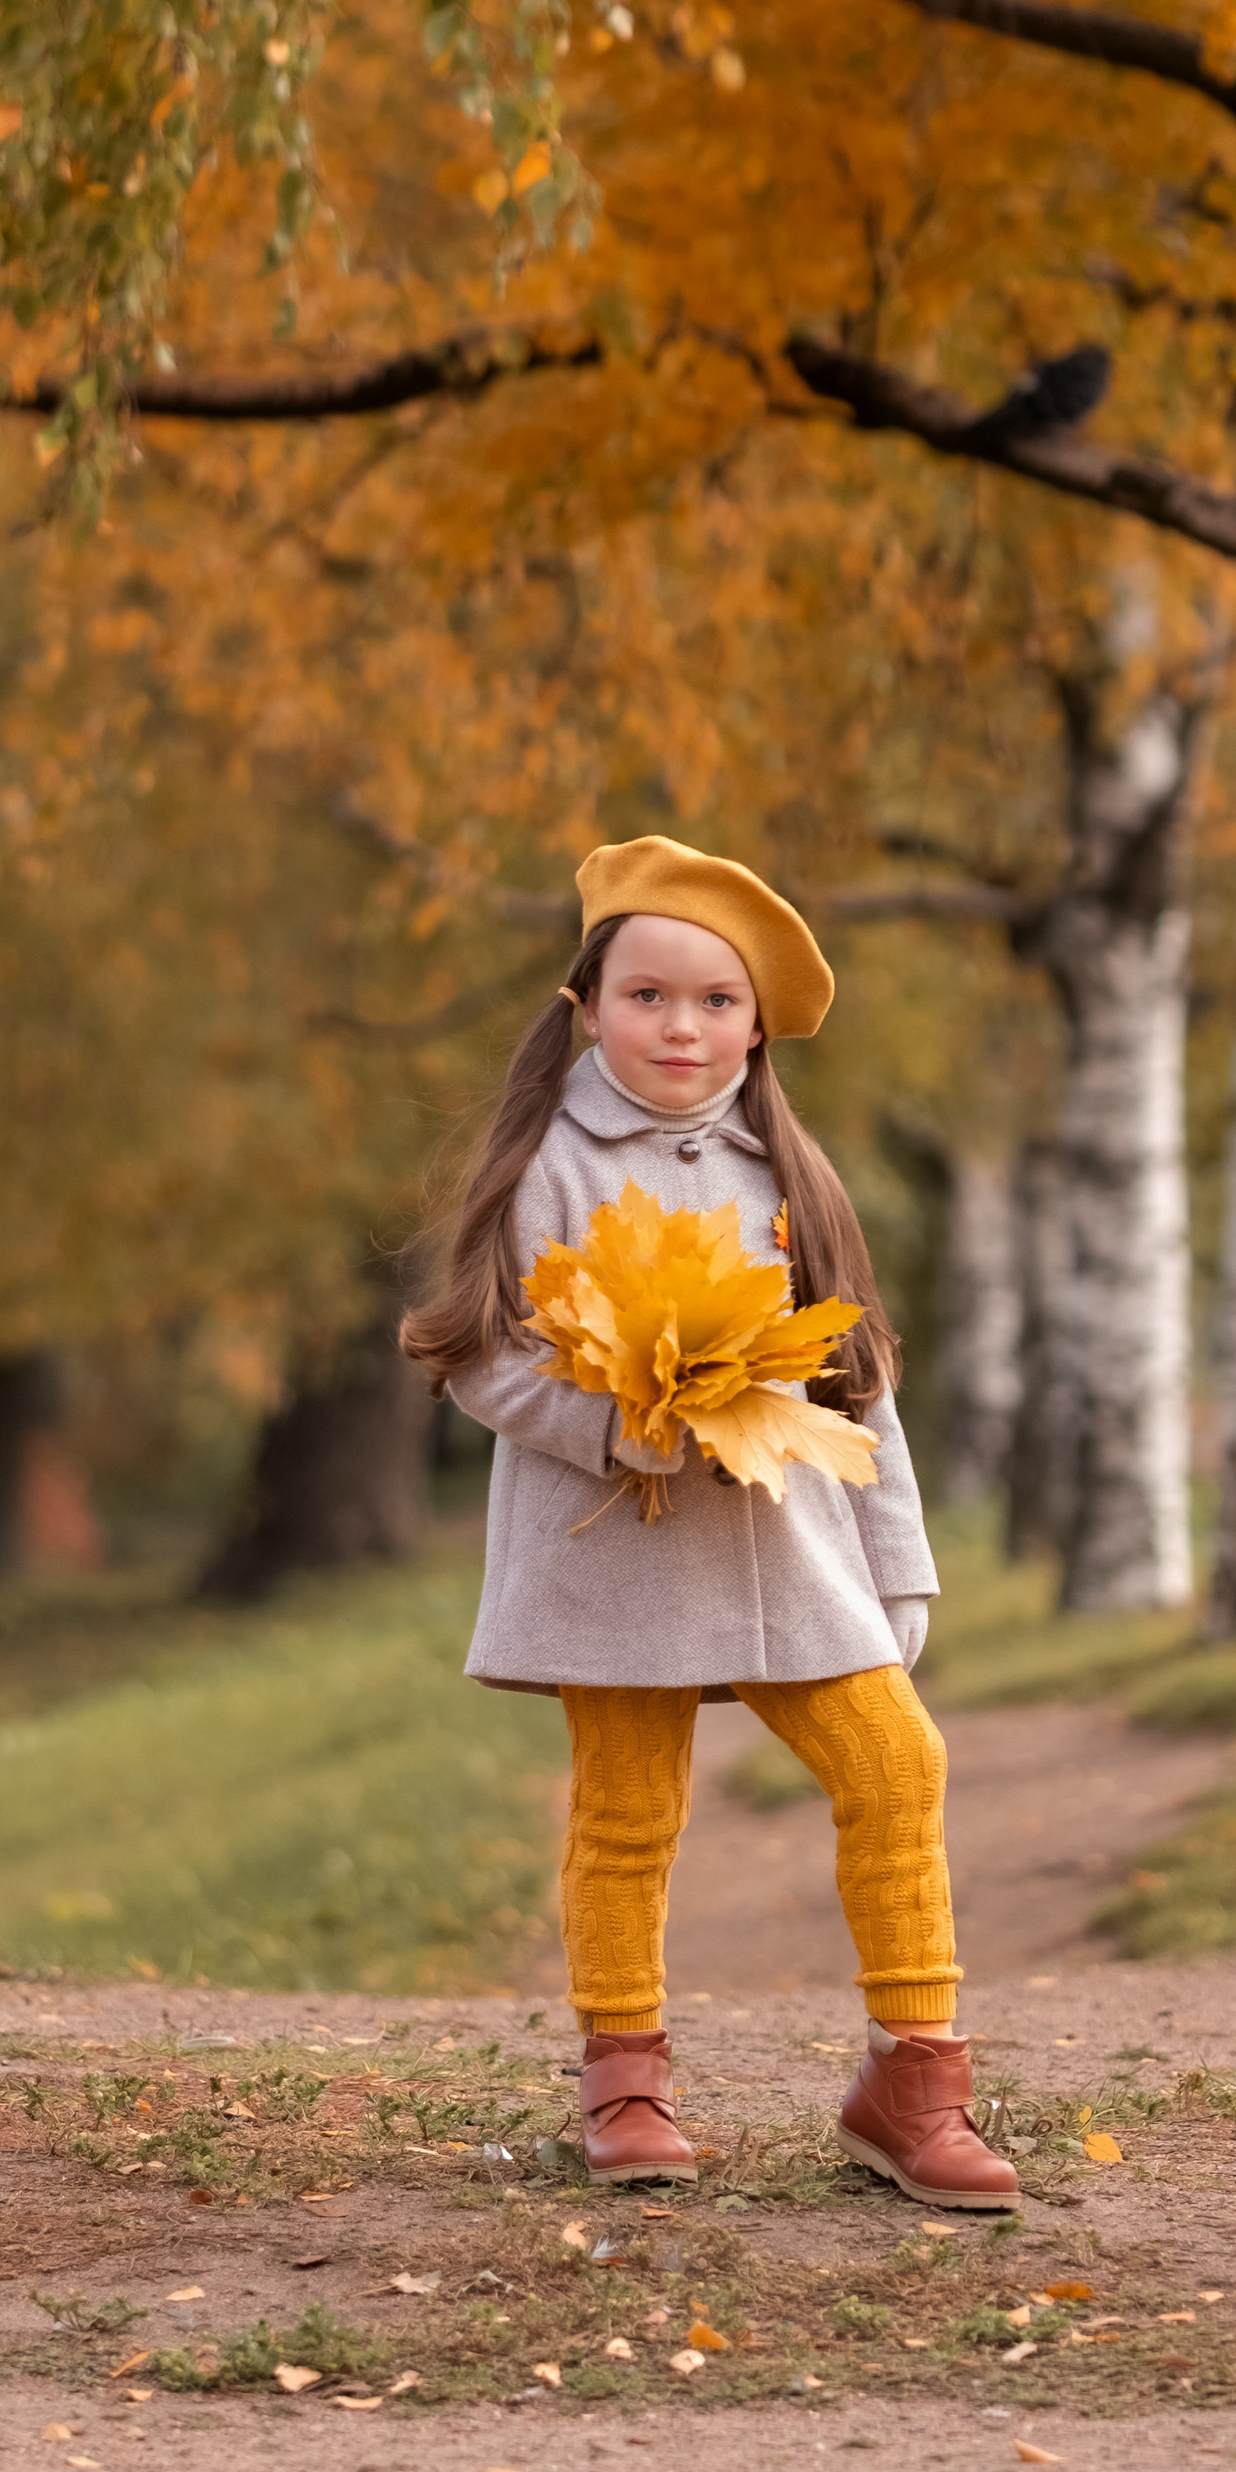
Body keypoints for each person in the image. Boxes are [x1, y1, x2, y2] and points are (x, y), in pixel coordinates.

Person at [401, 833, 1018, 2212]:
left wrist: (897, 1562)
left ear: (757, 1024)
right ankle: (625, 2075)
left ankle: (914, 2084)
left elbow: (861, 1384)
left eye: (716, 1002)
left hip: (790, 1552)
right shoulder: (550, 1165)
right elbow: (480, 1357)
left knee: (896, 1766)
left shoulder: (789, 1172)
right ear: (586, 1007)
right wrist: (620, 1422)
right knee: (629, 1811)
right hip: (614, 1553)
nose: (683, 1027)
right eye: (648, 996)